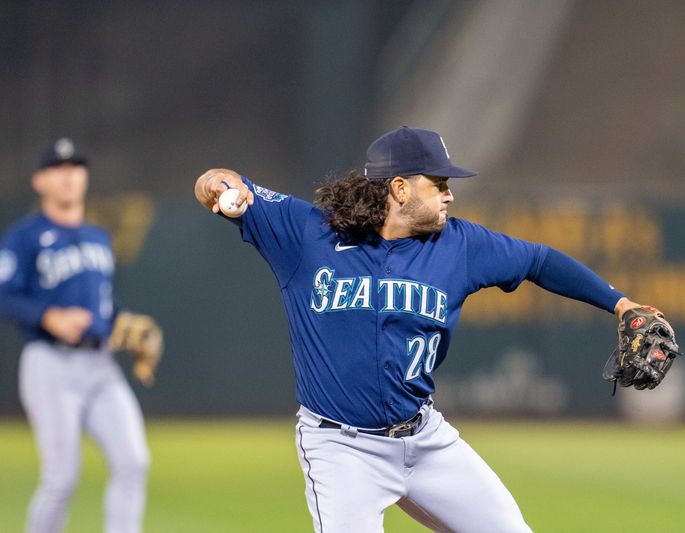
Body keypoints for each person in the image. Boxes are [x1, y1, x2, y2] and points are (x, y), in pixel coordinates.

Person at [194, 126, 645, 532]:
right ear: (399, 187)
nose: (449, 195)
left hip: (425, 439)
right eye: (440, 184)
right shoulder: (306, 234)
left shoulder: (460, 245)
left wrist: (621, 304)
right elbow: (217, 180)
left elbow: (540, 261)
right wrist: (219, 184)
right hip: (340, 447)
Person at [0, 138, 162, 533]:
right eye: (58, 169)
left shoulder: (97, 237)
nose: (69, 176)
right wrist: (47, 315)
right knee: (61, 479)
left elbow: (104, 305)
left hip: (100, 365)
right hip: (50, 364)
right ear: (40, 181)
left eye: (75, 168)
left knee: (133, 462)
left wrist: (128, 327)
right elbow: (4, 294)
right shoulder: (24, 236)